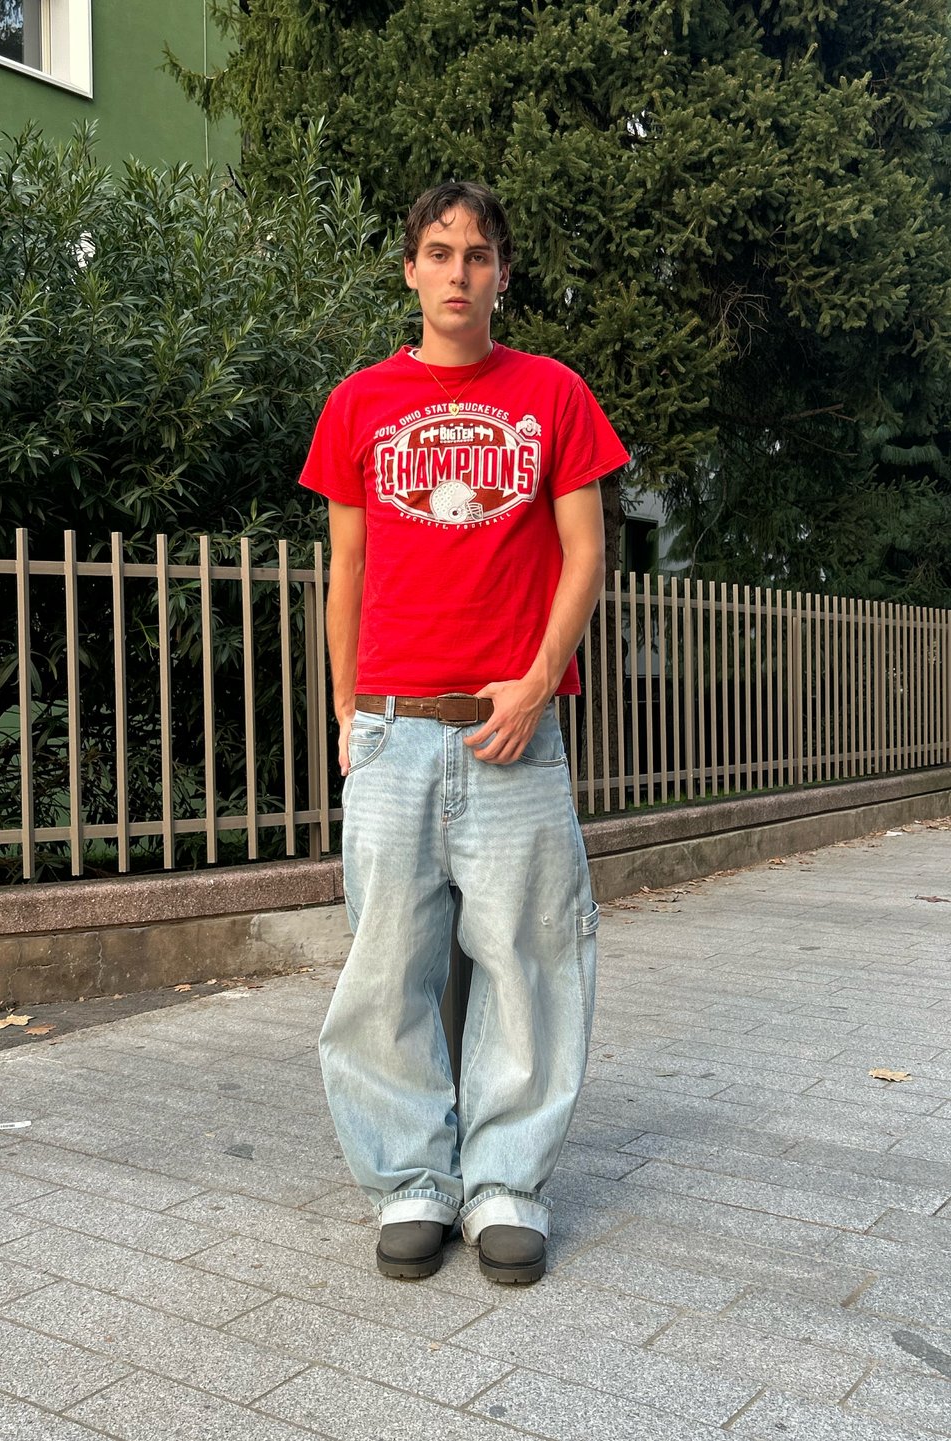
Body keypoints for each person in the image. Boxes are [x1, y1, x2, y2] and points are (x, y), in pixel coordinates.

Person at [299, 181, 629, 1284]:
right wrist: (345, 713)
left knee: (533, 959)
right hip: (394, 729)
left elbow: (584, 554)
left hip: (511, 731)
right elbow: (344, 567)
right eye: (437, 253)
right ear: (408, 271)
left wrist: (538, 684)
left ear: (501, 272)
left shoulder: (552, 395)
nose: (456, 272)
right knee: (386, 962)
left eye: (476, 255)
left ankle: (505, 1180)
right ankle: (410, 1178)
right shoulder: (357, 404)